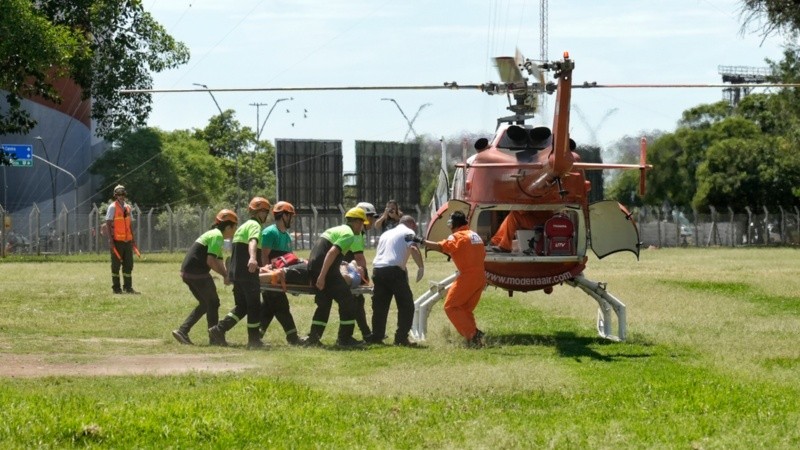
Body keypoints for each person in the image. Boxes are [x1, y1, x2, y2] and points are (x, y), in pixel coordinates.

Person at [209, 197, 271, 349]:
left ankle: (218, 330)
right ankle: (254, 341)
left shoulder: (243, 226)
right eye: (265, 212)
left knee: (242, 306)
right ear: (259, 212)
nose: (266, 216)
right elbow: (253, 242)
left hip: (236, 272)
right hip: (247, 272)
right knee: (254, 305)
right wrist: (253, 258)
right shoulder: (255, 226)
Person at [419, 210, 487, 348]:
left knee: (451, 307)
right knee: (464, 309)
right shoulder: (475, 235)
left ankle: (473, 335)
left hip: (468, 276)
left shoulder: (457, 236)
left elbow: (441, 246)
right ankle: (475, 341)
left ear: (453, 223)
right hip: (481, 277)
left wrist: (420, 241)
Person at [302, 207, 369, 347]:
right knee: (348, 302)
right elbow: (332, 253)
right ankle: (345, 339)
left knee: (324, 304)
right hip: (325, 271)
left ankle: (313, 339)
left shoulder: (336, 229)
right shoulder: (349, 234)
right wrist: (322, 276)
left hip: (314, 267)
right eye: (362, 223)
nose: (362, 226)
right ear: (356, 222)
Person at [172, 209, 238, 346]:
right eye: (234, 227)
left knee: (205, 303)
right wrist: (225, 275)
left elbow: (218, 260)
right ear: (228, 227)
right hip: (197, 273)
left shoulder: (213, 235)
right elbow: (211, 261)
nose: (235, 230)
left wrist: (227, 274)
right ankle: (214, 339)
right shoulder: (217, 236)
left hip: (188, 272)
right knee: (213, 303)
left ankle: (182, 331)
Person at [369, 215, 425, 346]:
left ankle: (377, 336)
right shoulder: (408, 232)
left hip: (378, 270)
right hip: (394, 271)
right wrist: (421, 267)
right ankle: (401, 338)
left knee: (380, 306)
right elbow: (413, 248)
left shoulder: (386, 233)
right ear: (411, 224)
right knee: (406, 305)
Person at [259, 201, 302, 345]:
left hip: (281, 276)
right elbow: (264, 256)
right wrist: (267, 274)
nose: (292, 219)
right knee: (282, 306)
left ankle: (256, 336)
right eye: (291, 216)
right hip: (271, 277)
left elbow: (288, 259)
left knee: (269, 308)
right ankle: (293, 338)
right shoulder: (270, 232)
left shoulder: (287, 236)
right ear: (284, 215)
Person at [105, 184, 139, 294]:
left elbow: (129, 225)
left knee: (128, 265)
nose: (121, 196)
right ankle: (116, 288)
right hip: (117, 242)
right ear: (115, 195)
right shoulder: (112, 207)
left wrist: (133, 240)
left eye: (122, 194)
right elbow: (108, 223)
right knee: (115, 266)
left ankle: (128, 287)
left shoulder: (128, 207)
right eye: (118, 194)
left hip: (127, 241)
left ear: (125, 195)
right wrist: (110, 240)